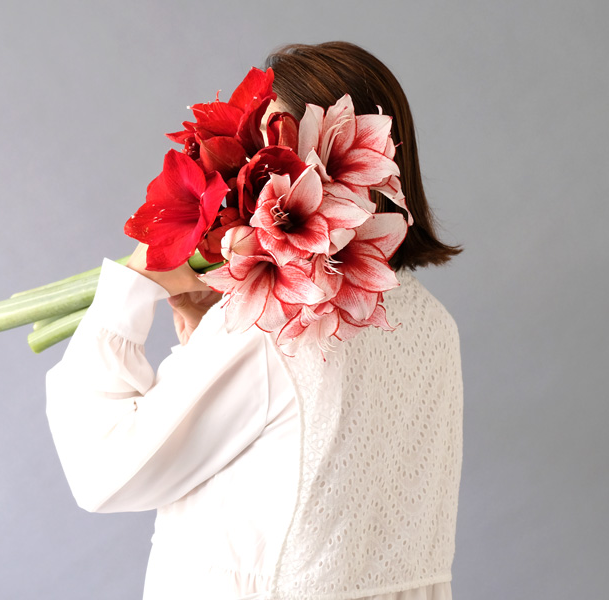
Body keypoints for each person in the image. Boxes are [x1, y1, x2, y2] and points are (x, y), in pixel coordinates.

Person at [45, 41, 464, 600]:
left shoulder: (280, 321)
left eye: (262, 145)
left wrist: (128, 289)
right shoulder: (434, 325)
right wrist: (203, 337)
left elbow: (104, 471)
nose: (250, 169)